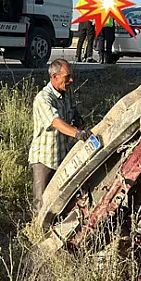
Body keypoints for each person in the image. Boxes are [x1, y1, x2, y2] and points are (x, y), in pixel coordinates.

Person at [28, 59, 91, 209]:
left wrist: (78, 119)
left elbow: (72, 112)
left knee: (61, 198)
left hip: (62, 156)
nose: (71, 80)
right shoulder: (43, 99)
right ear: (55, 77)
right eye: (67, 77)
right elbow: (55, 122)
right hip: (44, 159)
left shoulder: (67, 93)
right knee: (41, 201)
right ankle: (38, 230)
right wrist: (77, 134)